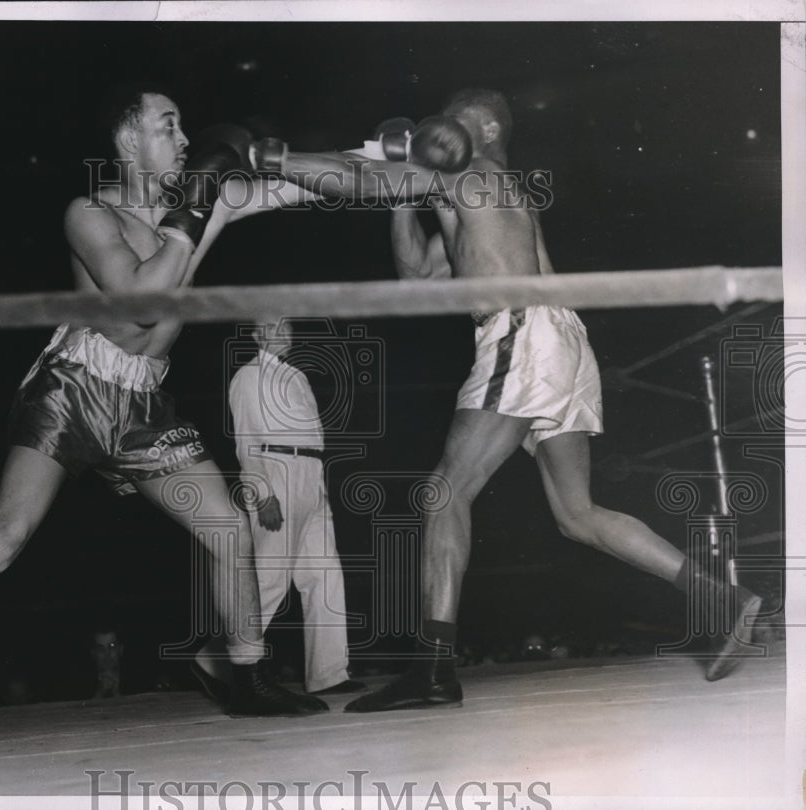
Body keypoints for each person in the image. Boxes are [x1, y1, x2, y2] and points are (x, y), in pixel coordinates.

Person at [0, 82, 328, 761]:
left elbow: (304, 190)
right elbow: (139, 301)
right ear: (128, 139)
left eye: (184, 127)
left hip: (144, 406)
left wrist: (391, 167)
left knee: (227, 528)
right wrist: (195, 210)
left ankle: (247, 675)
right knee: (5, 535)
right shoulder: (89, 212)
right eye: (168, 125)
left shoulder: (208, 200)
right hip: (74, 389)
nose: (186, 139)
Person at [251, 88, 763, 711]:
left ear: (486, 127)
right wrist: (405, 192)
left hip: (522, 332)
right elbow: (416, 273)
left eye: (452, 117)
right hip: (560, 341)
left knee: (444, 492)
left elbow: (359, 179)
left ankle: (434, 671)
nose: (436, 130)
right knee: (578, 516)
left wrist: (268, 157)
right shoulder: (476, 194)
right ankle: (724, 600)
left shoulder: (472, 168)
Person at [192, 319, 363, 699]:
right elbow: (247, 444)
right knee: (270, 578)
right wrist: (262, 493)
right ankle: (214, 659)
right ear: (255, 336)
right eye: (272, 326)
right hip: (277, 476)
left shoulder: (297, 377)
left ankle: (329, 673)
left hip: (311, 475)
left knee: (324, 575)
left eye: (286, 325)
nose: (283, 332)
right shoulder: (249, 377)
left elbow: (312, 437)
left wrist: (316, 482)